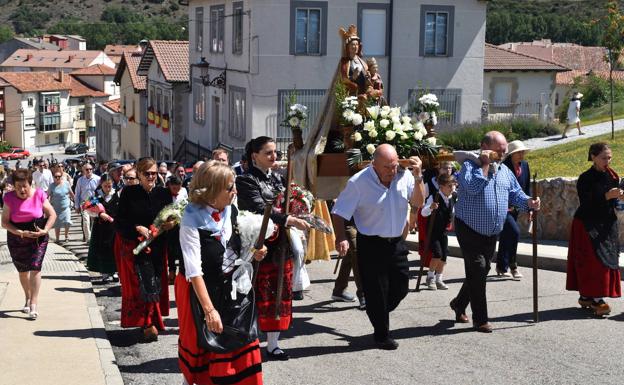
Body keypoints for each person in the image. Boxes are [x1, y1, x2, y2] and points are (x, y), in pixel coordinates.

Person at [176, 161, 266, 385]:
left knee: (241, 347)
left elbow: (237, 249)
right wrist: (209, 311)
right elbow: (194, 271)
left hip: (233, 290)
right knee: (205, 351)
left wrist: (254, 252)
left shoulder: (232, 210)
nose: (235, 191)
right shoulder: (190, 220)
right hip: (204, 291)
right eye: (229, 187)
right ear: (212, 190)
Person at [332, 144, 425, 350]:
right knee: (377, 291)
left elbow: (418, 202)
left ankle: (377, 309)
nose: (392, 171)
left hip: (396, 243)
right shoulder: (359, 183)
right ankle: (381, 335)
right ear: (374, 164)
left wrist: (418, 177)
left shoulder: (405, 176)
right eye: (387, 167)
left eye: (394, 166)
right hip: (371, 244)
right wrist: (341, 238)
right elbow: (339, 212)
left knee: (401, 288)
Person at [450, 131, 541, 333]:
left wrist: (529, 203)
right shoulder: (469, 166)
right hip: (469, 228)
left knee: (480, 271)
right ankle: (480, 319)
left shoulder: (504, 171)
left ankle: (459, 303)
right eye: (498, 151)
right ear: (484, 147)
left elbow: (515, 193)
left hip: (491, 231)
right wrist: (484, 164)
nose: (502, 154)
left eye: (504, 151)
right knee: (478, 267)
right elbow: (473, 187)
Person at [236, 136, 310, 360]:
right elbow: (259, 208)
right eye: (268, 152)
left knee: (280, 294)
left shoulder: (278, 179)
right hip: (260, 247)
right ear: (254, 156)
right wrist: (289, 219)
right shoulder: (246, 180)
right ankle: (250, 342)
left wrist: (300, 205)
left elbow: (290, 200)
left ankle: (274, 344)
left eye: (275, 152)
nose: (273, 156)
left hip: (281, 245)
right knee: (257, 294)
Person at [114, 157, 174, 342]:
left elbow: (171, 218)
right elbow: (120, 221)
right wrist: (137, 228)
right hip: (138, 247)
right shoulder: (129, 193)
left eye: (153, 173)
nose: (150, 176)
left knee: (155, 284)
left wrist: (171, 224)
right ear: (138, 174)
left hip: (159, 247)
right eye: (146, 173)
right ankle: (148, 324)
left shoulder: (163, 193)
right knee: (146, 284)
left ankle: (152, 321)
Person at [566, 142, 622, 315]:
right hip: (587, 225)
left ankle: (587, 296)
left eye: (609, 157)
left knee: (605, 259)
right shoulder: (585, 178)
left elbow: (613, 201)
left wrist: (618, 197)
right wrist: (606, 195)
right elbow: (587, 202)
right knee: (593, 263)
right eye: (604, 158)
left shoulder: (612, 175)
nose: (608, 161)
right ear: (593, 157)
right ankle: (596, 299)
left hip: (606, 223)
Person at [1, 169, 57, 320]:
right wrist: (19, 232)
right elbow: (4, 222)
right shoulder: (9, 197)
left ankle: (34, 303)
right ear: (13, 185)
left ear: (30, 184)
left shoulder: (39, 194)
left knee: (35, 267)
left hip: (38, 236)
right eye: (18, 186)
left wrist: (45, 230)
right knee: (23, 271)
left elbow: (52, 214)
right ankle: (27, 296)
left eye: (24, 186)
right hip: (17, 238)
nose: (22, 190)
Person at [496, 140, 531, 279]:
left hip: (517, 207)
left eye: (522, 152)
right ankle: (513, 265)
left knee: (506, 236)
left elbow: (526, 188)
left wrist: (529, 208)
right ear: (511, 154)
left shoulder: (525, 166)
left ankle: (501, 266)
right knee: (515, 233)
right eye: (519, 152)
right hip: (504, 208)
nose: (522, 155)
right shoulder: (503, 167)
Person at [416, 161, 455, 285]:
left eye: (453, 186)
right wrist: (431, 207)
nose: (452, 188)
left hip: (443, 231)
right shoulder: (435, 197)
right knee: (437, 254)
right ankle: (430, 277)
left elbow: (453, 212)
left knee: (444, 257)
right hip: (432, 231)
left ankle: (439, 278)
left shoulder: (452, 197)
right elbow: (423, 213)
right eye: (449, 186)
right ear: (442, 187)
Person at [86, 174, 120, 283]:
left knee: (114, 248)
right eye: (105, 186)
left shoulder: (117, 194)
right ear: (101, 185)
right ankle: (105, 273)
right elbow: (89, 209)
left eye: (109, 186)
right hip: (101, 227)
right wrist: (100, 214)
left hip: (113, 227)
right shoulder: (97, 195)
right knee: (103, 249)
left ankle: (114, 271)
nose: (107, 188)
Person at [166, 176, 187, 284]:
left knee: (181, 247)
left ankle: (182, 273)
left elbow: (185, 207)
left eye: (178, 188)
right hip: (168, 225)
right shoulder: (165, 194)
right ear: (169, 186)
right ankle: (172, 271)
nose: (176, 191)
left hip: (181, 224)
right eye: (174, 189)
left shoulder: (184, 192)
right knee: (170, 248)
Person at [74, 163, 101, 242]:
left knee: (94, 221)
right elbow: (77, 193)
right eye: (87, 169)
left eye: (90, 169)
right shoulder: (80, 180)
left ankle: (94, 238)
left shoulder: (98, 179)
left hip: (94, 201)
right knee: (86, 221)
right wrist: (77, 206)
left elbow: (100, 191)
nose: (89, 171)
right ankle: (88, 239)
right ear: (83, 171)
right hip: (84, 202)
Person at [48, 169, 74, 243]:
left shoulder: (66, 183)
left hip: (66, 207)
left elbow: (71, 193)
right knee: (57, 224)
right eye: (56, 177)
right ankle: (57, 238)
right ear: (53, 177)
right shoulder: (51, 186)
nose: (57, 178)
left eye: (59, 176)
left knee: (67, 221)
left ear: (61, 177)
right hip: (56, 208)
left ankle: (66, 236)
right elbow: (47, 195)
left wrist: (76, 203)